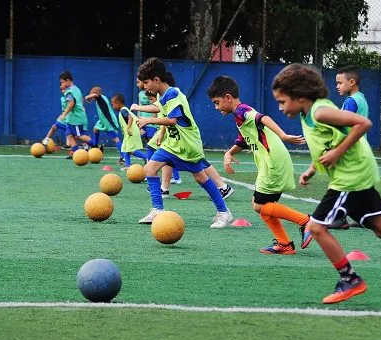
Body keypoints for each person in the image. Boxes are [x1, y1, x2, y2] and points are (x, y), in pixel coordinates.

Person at [272, 63, 381, 304]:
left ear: (300, 96)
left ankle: (350, 279)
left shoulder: (320, 112)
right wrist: (311, 169)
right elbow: (326, 145)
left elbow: (363, 124)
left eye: (283, 101)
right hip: (354, 175)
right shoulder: (309, 115)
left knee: (316, 227)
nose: (280, 107)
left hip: (351, 177)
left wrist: (337, 153)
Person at [208, 76, 312, 254]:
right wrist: (229, 153)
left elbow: (262, 118)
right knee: (265, 207)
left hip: (273, 163)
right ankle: (284, 244)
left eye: (217, 103)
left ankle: (306, 221)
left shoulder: (242, 110)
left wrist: (283, 135)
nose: (216, 108)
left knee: (258, 205)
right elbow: (243, 140)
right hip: (272, 163)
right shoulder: (239, 116)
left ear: (228, 97)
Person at [134, 57, 232, 227]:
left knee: (201, 177)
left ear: (156, 80)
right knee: (149, 168)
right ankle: (157, 210)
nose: (145, 87)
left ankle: (224, 212)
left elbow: (172, 120)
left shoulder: (173, 94)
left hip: (187, 145)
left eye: (146, 82)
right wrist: (139, 109)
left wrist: (148, 121)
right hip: (172, 144)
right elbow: (158, 108)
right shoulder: (163, 94)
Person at [330, 65, 370, 229]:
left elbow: (343, 127)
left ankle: (339, 218)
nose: (337, 86)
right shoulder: (361, 98)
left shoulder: (351, 101)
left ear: (351, 82)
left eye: (340, 83)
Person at [57, 71, 95, 157]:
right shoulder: (76, 89)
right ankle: (76, 153)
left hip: (75, 118)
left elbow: (71, 103)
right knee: (69, 135)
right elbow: (81, 101)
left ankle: (95, 145)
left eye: (62, 82)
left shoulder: (69, 92)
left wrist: (64, 114)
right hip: (73, 118)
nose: (62, 84)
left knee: (79, 136)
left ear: (68, 80)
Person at [84, 86, 124, 159]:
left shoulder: (100, 97)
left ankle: (123, 156)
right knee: (95, 129)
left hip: (108, 120)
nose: (90, 96)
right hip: (102, 120)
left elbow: (95, 95)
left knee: (115, 139)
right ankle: (95, 147)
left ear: (95, 93)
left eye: (91, 94)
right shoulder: (100, 99)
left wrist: (87, 97)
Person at [110, 94, 148, 169]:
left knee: (130, 150)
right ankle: (127, 165)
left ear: (118, 103)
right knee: (125, 148)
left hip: (130, 133)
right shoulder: (125, 110)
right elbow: (135, 118)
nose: (112, 106)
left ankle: (146, 157)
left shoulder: (123, 110)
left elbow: (130, 117)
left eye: (113, 104)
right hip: (129, 133)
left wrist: (128, 128)